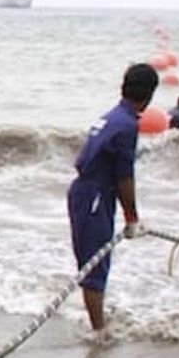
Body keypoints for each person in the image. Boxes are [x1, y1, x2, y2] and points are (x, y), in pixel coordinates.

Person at [67, 63, 159, 330]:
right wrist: (132, 218)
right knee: (95, 268)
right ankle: (99, 331)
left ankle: (97, 320)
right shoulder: (127, 125)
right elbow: (124, 177)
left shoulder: (113, 116)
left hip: (85, 192)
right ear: (150, 94)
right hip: (94, 197)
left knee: (92, 262)